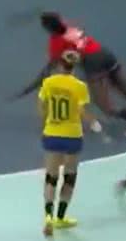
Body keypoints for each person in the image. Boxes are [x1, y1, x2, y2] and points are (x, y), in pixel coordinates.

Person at [15, 12, 126, 137]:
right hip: (106, 54)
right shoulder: (69, 27)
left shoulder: (55, 43)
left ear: (48, 28)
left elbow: (48, 70)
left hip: (94, 64)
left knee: (106, 107)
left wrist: (27, 89)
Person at [38, 50, 101, 236]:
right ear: (75, 67)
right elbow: (82, 109)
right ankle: (60, 217)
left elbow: (42, 106)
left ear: (59, 65)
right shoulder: (80, 86)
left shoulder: (49, 82)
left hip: (52, 133)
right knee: (70, 176)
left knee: (51, 176)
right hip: (72, 136)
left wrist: (45, 125)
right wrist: (93, 123)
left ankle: (48, 216)